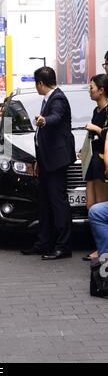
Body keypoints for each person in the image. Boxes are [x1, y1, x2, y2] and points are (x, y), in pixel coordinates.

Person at [21, 67, 76, 260]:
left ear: (40, 83)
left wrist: (44, 120)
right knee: (44, 203)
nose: (36, 87)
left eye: (36, 84)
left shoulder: (58, 99)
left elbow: (56, 117)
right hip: (47, 160)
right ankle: (43, 243)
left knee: (58, 203)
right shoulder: (49, 99)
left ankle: (63, 246)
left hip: (56, 161)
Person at [83, 75, 108, 261]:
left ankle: (102, 250)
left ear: (101, 90)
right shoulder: (96, 110)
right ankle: (98, 246)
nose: (89, 90)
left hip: (102, 161)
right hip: (92, 160)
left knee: (100, 206)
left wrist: (95, 128)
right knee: (90, 205)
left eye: (92, 87)